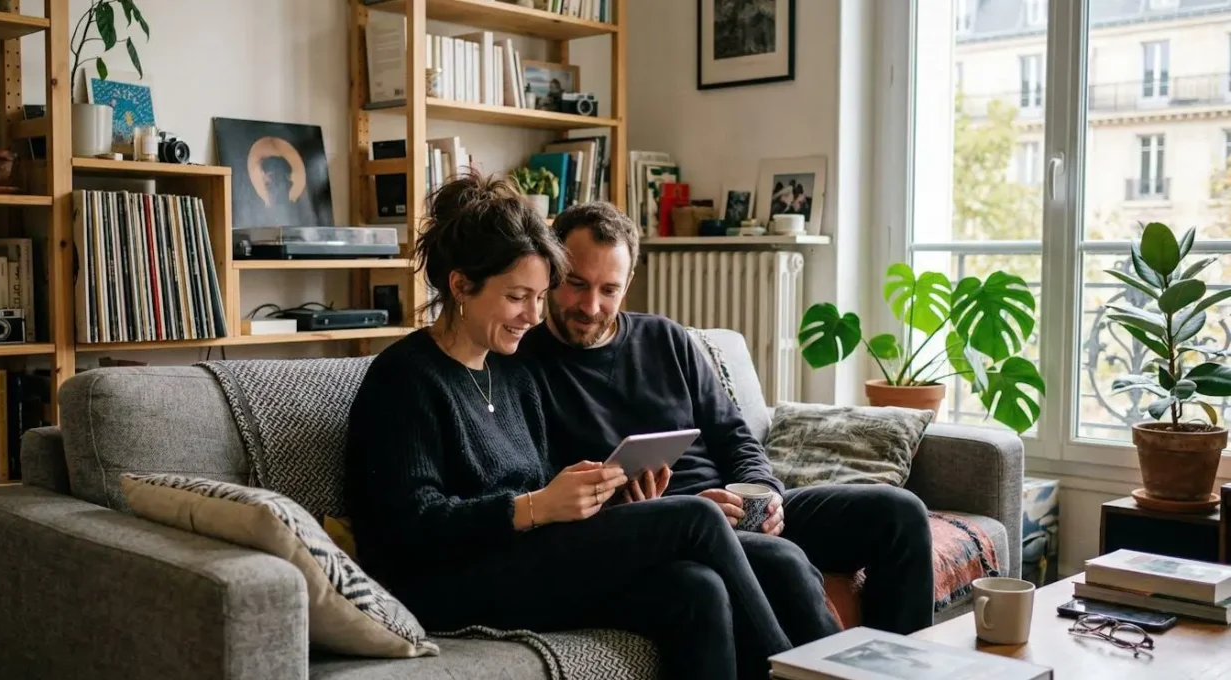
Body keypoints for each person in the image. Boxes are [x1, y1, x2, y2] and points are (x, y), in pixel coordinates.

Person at [344, 173, 799, 680]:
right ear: (460, 285)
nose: (533, 316)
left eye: (540, 297)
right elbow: (409, 529)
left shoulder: (512, 373)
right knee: (695, 517)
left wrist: (604, 501)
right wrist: (536, 507)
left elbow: (540, 488)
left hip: (523, 560)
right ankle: (802, 675)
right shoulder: (404, 377)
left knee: (696, 589)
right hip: (444, 583)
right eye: (518, 297)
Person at [517, 201, 936, 637]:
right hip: (670, 533)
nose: (591, 306)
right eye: (576, 284)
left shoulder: (666, 339)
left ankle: (896, 667)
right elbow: (550, 494)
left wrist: (768, 496)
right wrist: (638, 509)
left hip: (737, 509)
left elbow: (735, 436)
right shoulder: (524, 367)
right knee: (785, 562)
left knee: (899, 513)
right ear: (551, 270)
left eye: (609, 290)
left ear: (629, 284)